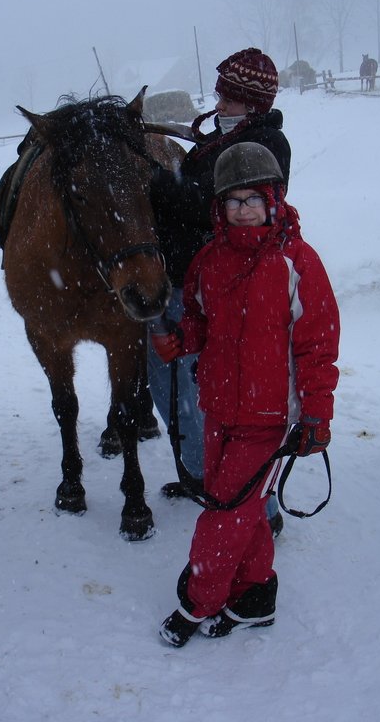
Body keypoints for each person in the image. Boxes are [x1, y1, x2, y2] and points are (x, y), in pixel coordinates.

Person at [151, 142, 340, 647]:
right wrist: (181, 341)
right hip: (219, 407)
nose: (243, 210)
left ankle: (198, 601)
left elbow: (319, 346)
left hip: (270, 416)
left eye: (253, 199)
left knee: (224, 510)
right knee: (245, 508)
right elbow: (199, 319)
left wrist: (317, 416)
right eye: (232, 201)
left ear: (274, 199)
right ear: (219, 206)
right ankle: (255, 597)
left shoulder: (297, 263)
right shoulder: (209, 261)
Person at [148, 47, 291, 534]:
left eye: (227, 98)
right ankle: (201, 474)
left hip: (213, 287)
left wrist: (155, 179)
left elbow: (200, 201)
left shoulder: (264, 145)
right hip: (179, 278)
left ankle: (256, 507)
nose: (218, 103)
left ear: (250, 104)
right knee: (168, 387)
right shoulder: (221, 140)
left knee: (208, 396)